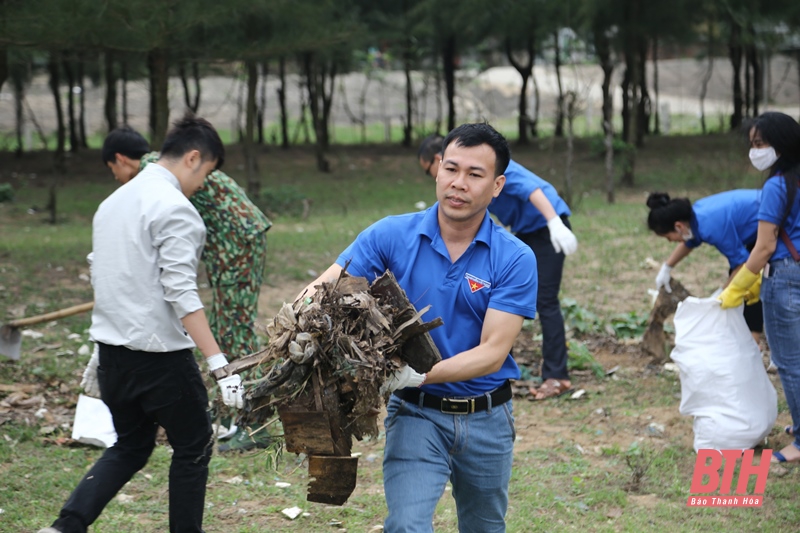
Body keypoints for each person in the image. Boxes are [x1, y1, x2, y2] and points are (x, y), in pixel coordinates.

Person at [304, 123, 537, 532]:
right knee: (406, 526)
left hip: (487, 417)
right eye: (451, 169)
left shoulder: (514, 258)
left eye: (474, 174)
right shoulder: (391, 235)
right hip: (416, 413)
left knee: (484, 527)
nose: (458, 183)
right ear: (437, 170)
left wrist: (414, 374)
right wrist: (297, 327)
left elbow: (492, 353)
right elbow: (325, 286)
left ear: (497, 185)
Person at [38, 115, 244, 533]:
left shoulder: (111, 204)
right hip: (159, 360)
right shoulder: (176, 210)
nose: (202, 184)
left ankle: (66, 527)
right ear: (192, 158)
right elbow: (182, 293)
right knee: (195, 445)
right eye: (206, 173)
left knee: (131, 447)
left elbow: (102, 275)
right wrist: (220, 365)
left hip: (112, 357)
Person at [101, 126, 272, 451]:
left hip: (237, 240)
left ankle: (256, 424)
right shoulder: (160, 169)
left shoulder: (157, 170)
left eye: (114, 169)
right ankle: (227, 413)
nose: (116, 178)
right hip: (228, 242)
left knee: (235, 330)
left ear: (122, 159)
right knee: (223, 328)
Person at [419, 134, 577, 400]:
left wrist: (554, 224)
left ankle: (557, 375)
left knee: (546, 300)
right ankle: (496, 364)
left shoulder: (488, 163)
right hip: (525, 230)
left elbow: (532, 190)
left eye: (428, 171)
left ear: (436, 160)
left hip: (546, 227)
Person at [718, 111, 800, 464]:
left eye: (760, 144)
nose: (755, 152)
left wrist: (736, 287)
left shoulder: (777, 186)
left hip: (784, 277)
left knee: (789, 362)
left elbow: (764, 246)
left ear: (781, 146)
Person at [646, 190, 764, 342]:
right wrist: (667, 267)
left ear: (678, 226)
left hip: (782, 219)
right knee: (739, 280)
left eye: (668, 237)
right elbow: (689, 242)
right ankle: (750, 335)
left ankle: (754, 340)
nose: (670, 241)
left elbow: (743, 265)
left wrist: (720, 295)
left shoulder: (711, 225)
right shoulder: (696, 217)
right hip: (759, 226)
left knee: (749, 282)